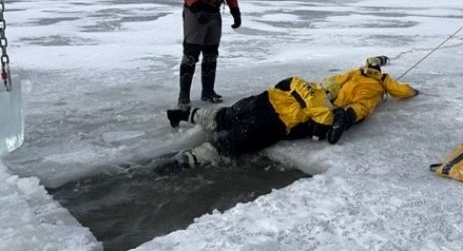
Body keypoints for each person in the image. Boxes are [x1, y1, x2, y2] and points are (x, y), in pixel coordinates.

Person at [157, 57, 418, 173]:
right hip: (273, 123)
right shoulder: (375, 84)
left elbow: (288, 81)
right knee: (229, 144)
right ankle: (182, 163)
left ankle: (187, 114)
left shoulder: (310, 82)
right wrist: (340, 119)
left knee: (224, 116)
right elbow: (329, 122)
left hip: (261, 101)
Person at [177, 0, 241, 109]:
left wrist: (235, 10)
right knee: (191, 54)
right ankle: (183, 97)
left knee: (211, 53)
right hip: (196, 14)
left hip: (214, 13)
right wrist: (196, 8)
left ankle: (208, 92)